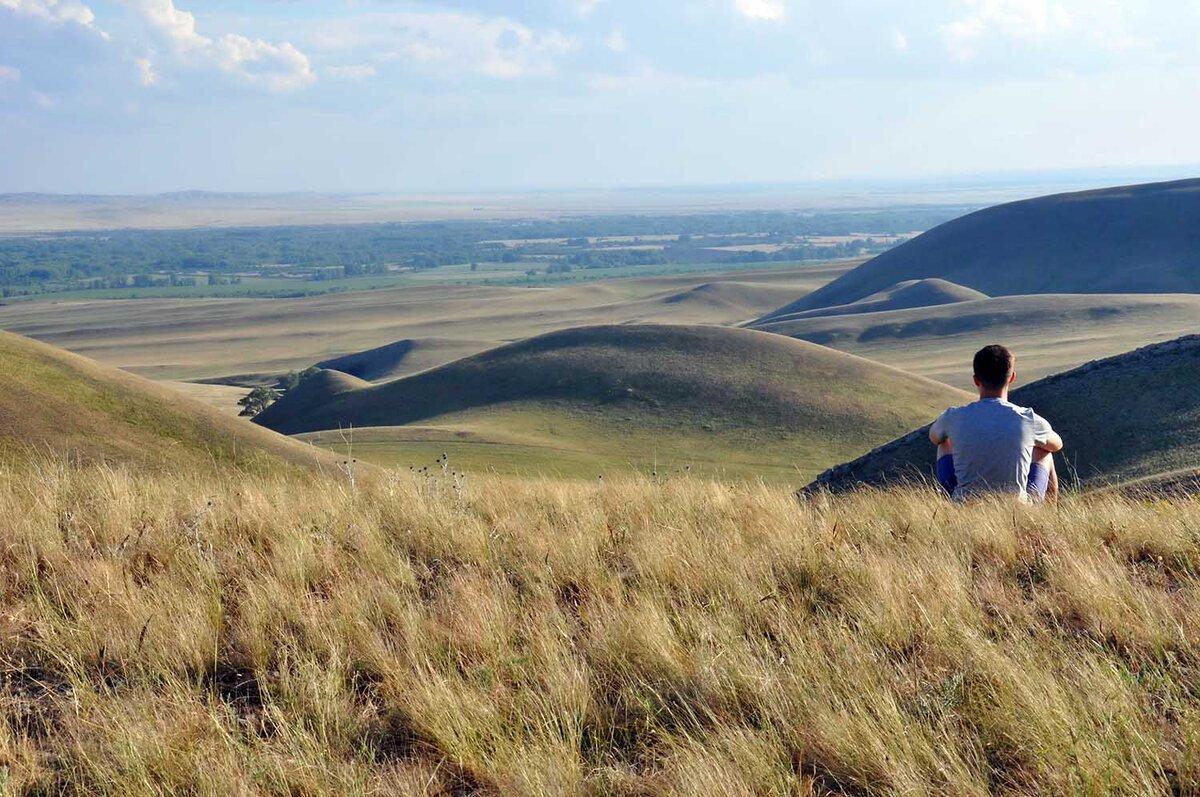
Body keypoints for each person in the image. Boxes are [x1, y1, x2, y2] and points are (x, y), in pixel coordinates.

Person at [929, 344, 1063, 503]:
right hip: (1015, 509)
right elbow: (1057, 445)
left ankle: (947, 505)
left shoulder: (953, 416)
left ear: (976, 380)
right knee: (1044, 452)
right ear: (1012, 377)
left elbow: (934, 437)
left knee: (944, 444)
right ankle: (1046, 520)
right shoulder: (1027, 419)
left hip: (966, 506)